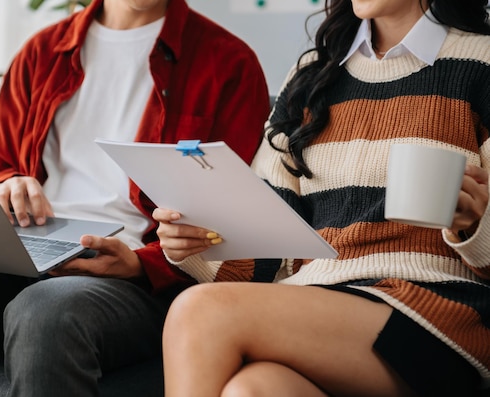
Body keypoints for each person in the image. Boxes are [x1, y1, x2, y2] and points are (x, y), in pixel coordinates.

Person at [0, 0, 270, 396]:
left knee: (45, 311)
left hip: (134, 282)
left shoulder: (229, 63)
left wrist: (138, 264)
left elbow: (227, 224)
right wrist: (7, 182)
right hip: (20, 257)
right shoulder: (44, 51)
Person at [152, 0, 490, 396]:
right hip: (318, 304)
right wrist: (195, 242)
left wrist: (474, 224)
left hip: (437, 317)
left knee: (199, 311)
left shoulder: (481, 63)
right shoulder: (312, 75)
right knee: (253, 390)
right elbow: (269, 251)